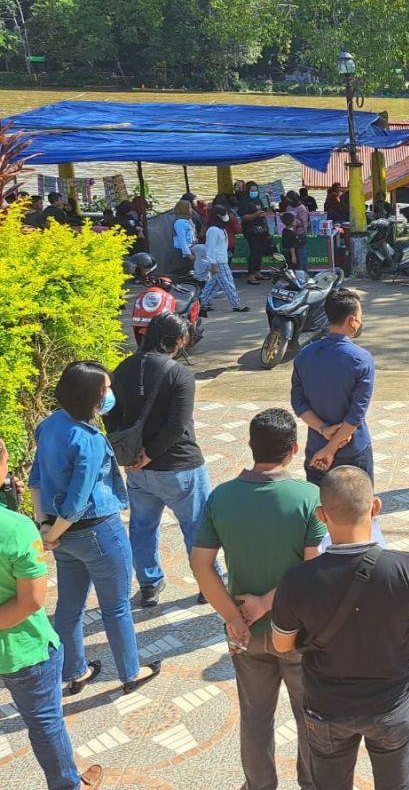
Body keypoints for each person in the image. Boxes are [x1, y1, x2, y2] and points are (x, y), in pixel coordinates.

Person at [272, 467, 409, 790]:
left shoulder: (297, 579)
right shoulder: (407, 568)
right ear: (376, 507)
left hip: (326, 710)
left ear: (321, 515)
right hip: (391, 707)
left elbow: (282, 645)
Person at [190, 408, 325, 790]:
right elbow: (315, 569)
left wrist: (235, 617)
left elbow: (201, 566)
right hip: (298, 632)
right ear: (295, 449)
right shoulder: (309, 497)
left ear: (250, 447)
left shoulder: (222, 497)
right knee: (310, 717)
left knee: (255, 718)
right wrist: (268, 602)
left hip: (246, 635)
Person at [28, 362, 160, 696]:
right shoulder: (88, 439)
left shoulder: (48, 425)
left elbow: (37, 480)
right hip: (99, 531)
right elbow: (77, 500)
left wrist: (46, 527)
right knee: (115, 607)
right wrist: (53, 533)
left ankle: (76, 672)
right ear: (90, 396)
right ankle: (131, 672)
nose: (110, 394)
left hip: (64, 536)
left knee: (69, 608)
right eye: (106, 389)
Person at [0, 436, 105, 790]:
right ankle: (68, 784)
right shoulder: (16, 528)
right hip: (23, 648)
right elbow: (30, 600)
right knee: (46, 724)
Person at [104, 313, 216, 607]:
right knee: (197, 527)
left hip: (138, 471)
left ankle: (150, 585)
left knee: (142, 527)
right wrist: (149, 454)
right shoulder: (179, 374)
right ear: (178, 340)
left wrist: (131, 454)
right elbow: (177, 427)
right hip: (180, 467)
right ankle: (208, 585)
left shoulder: (122, 369)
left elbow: (110, 414)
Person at [291, 288, 375, 484]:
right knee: (359, 510)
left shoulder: (305, 355)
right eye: (360, 317)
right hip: (353, 451)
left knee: (321, 511)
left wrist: (323, 430)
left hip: (316, 450)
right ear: (352, 321)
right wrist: (331, 449)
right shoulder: (362, 360)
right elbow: (356, 414)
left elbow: (298, 402)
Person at [199, 203, 249, 312]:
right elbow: (210, 248)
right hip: (218, 261)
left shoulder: (221, 229)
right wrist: (212, 263)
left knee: (214, 283)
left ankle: (202, 302)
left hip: (221, 259)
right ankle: (236, 304)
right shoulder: (213, 230)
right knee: (228, 283)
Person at [239, 181, 273, 284]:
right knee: (254, 252)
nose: (254, 192)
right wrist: (256, 215)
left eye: (255, 190)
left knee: (259, 252)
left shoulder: (258, 200)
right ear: (247, 191)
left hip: (261, 230)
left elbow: (262, 212)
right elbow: (245, 217)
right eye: (252, 190)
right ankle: (251, 275)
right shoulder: (243, 201)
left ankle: (258, 272)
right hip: (251, 231)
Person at [171, 199, 198, 268]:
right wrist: (189, 255)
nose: (191, 209)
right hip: (182, 252)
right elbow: (182, 240)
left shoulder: (188, 220)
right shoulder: (180, 223)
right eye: (189, 208)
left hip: (190, 248)